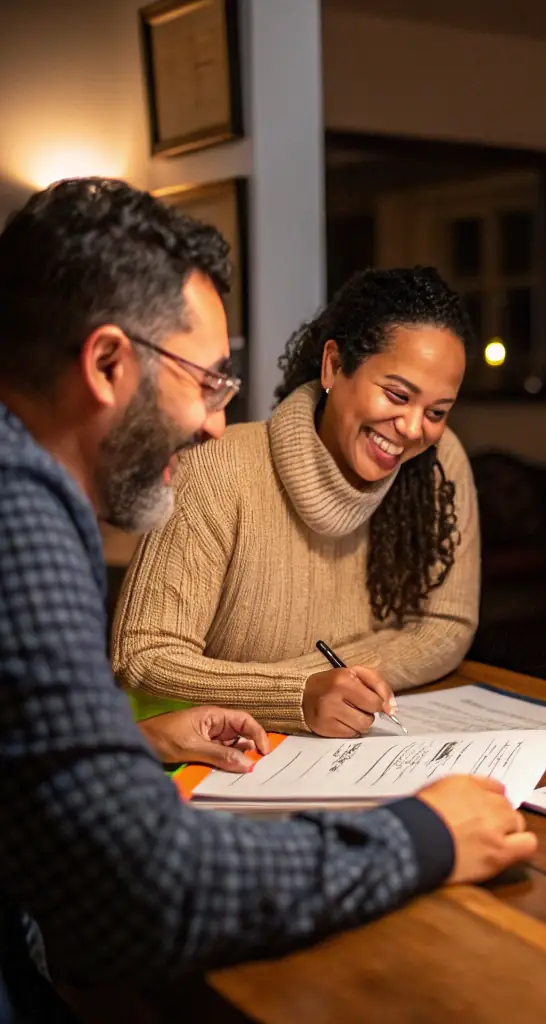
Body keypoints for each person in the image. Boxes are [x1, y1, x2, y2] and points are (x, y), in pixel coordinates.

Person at [0, 178, 534, 1021]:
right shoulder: (20, 520)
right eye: (205, 381)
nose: (216, 420)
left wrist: (136, 741)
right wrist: (423, 838)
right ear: (107, 363)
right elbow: (147, 895)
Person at [112, 265, 480, 738]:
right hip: (217, 763)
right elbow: (143, 655)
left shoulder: (438, 467)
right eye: (396, 394)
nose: (412, 429)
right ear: (333, 365)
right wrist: (299, 692)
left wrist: (334, 683)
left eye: (436, 412)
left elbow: (446, 624)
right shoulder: (217, 470)